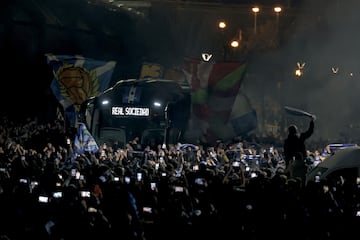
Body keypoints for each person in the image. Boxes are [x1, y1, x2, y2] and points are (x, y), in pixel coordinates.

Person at [283, 117, 315, 182]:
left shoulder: (287, 141)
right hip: (302, 161)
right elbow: (309, 132)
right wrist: (312, 122)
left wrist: (288, 164)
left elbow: (286, 153)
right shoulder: (300, 137)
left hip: (291, 163)